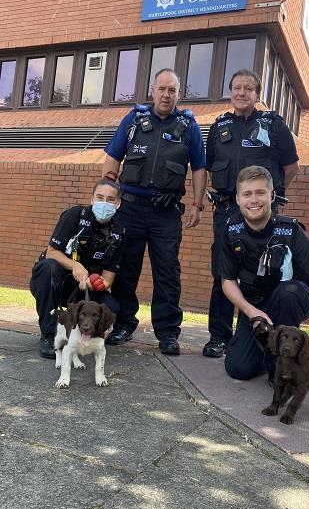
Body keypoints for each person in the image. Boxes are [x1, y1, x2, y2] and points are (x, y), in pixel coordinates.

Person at [101, 68, 206, 356]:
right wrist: (108, 199)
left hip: (166, 213)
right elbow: (112, 159)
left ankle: (168, 332)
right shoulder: (134, 120)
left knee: (168, 274)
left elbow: (199, 168)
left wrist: (197, 204)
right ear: (152, 90)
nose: (166, 94)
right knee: (125, 269)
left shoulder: (189, 127)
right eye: (162, 89)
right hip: (130, 210)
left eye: (172, 90)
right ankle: (124, 323)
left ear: (178, 94)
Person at [219, 165, 309, 381]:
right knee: (239, 368)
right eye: (247, 194)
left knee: (288, 293)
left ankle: (284, 370)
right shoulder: (231, 233)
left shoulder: (290, 231)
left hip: (291, 298)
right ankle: (295, 351)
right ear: (238, 199)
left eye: (260, 192)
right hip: (256, 306)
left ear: (272, 195)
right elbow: (227, 282)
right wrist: (251, 312)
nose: (254, 200)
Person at [203, 68, 300, 358]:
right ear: (230, 92)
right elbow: (209, 169)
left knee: (266, 272)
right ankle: (219, 337)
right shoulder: (219, 128)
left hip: (263, 214)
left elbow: (291, 167)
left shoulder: (273, 125)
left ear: (257, 94)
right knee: (223, 273)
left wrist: (272, 198)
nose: (241, 93)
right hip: (226, 212)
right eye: (236, 88)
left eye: (248, 88)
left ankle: (267, 337)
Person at [30, 179, 125, 359]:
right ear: (92, 199)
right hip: (56, 282)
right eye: (100, 197)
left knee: (112, 307)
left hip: (84, 289)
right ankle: (49, 336)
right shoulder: (75, 215)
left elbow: (108, 280)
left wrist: (93, 283)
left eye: (110, 199)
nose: (104, 203)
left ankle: (89, 336)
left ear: (117, 204)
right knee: (47, 268)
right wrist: (75, 266)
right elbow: (52, 252)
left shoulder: (119, 232)